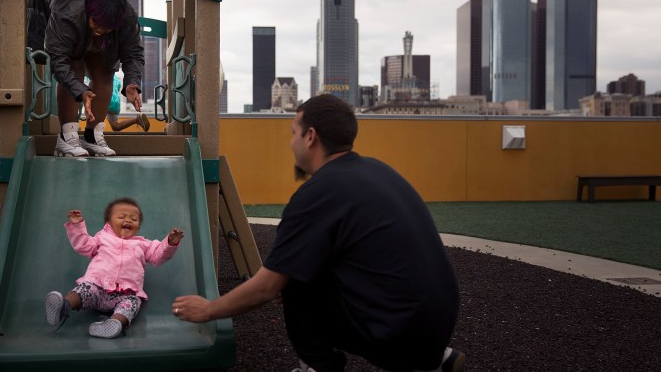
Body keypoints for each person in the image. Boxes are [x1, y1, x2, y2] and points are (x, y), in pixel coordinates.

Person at [172, 94, 464, 372]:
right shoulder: (379, 171)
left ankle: (318, 366)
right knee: (305, 267)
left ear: (310, 137)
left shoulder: (318, 193)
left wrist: (208, 310)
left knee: (295, 283)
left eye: (293, 132)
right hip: (437, 324)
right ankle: (436, 360)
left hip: (399, 334)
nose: (291, 143)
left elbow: (265, 288)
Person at [28, 0, 145, 157]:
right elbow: (58, 59)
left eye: (106, 29)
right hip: (65, 31)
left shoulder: (127, 18)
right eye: (96, 25)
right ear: (89, 12)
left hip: (88, 30)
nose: (99, 32)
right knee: (73, 66)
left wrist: (132, 81)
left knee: (106, 72)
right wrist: (79, 90)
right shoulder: (67, 13)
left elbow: (133, 52)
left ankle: (92, 136)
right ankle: (67, 137)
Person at [45, 197, 184, 338]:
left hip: (125, 294)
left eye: (134, 219)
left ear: (138, 226)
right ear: (109, 223)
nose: (128, 220)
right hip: (97, 288)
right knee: (84, 289)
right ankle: (64, 305)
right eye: (121, 217)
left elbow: (158, 256)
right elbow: (84, 246)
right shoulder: (102, 237)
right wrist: (77, 226)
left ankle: (115, 323)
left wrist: (170, 243)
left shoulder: (143, 245)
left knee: (133, 303)